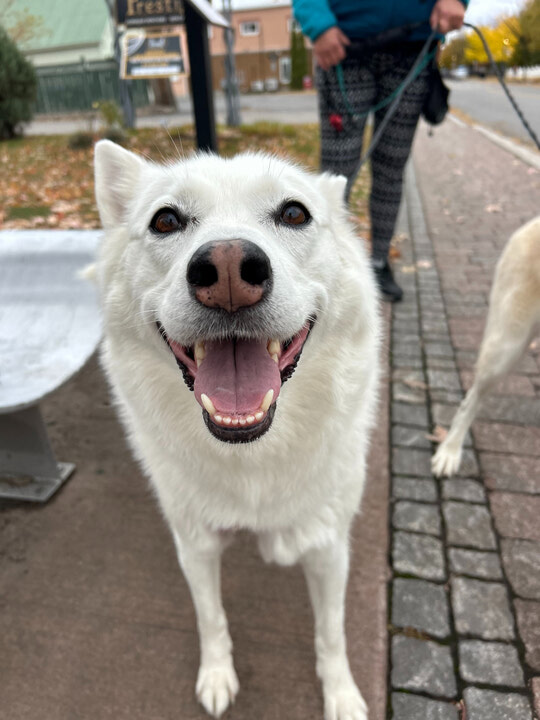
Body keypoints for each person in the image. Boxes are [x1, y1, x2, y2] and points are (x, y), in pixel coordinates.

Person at [292, 0, 466, 301]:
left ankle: (378, 262)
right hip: (344, 48)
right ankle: (325, 262)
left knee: (391, 168)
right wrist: (318, 24)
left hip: (413, 50)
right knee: (336, 173)